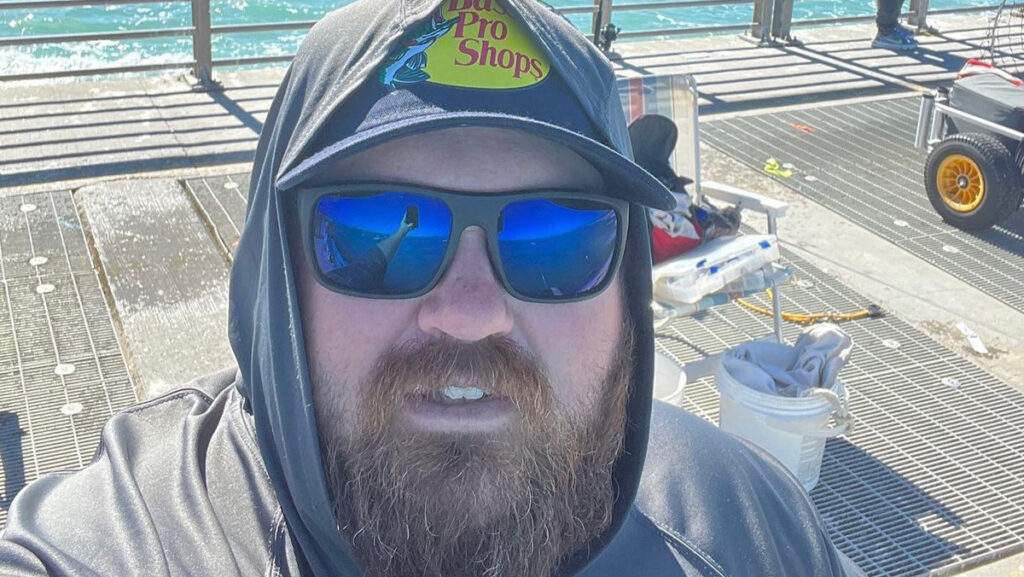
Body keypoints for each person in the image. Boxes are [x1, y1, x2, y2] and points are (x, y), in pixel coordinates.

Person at [0, 1, 867, 576]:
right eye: (377, 229)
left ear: (626, 292)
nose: (470, 310)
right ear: (278, 280)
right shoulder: (120, 542)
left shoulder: (749, 529)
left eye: (556, 237)